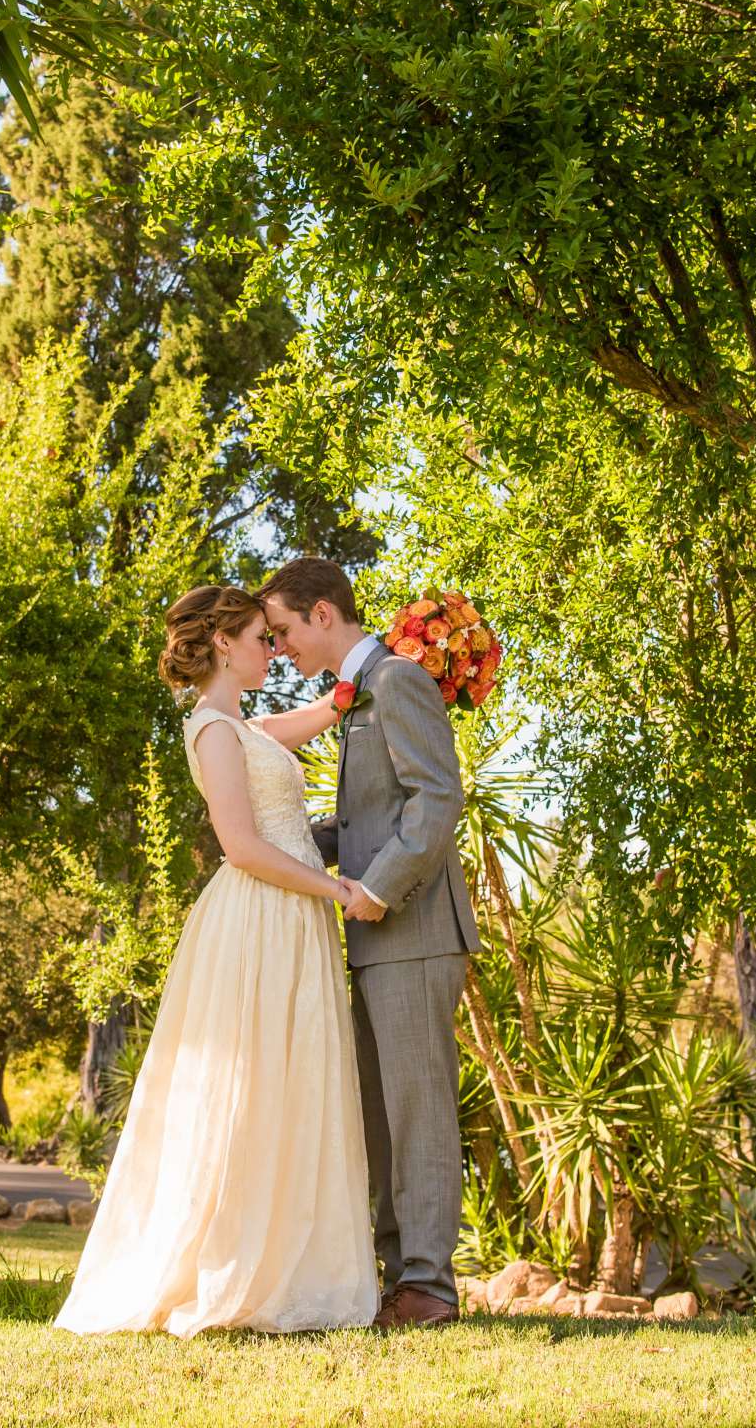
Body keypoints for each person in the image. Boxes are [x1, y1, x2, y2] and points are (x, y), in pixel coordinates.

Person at [53, 585, 381, 1336]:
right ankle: (231, 1266)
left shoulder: (249, 726)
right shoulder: (211, 730)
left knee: (290, 1086)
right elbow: (242, 846)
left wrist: (403, 653)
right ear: (225, 645)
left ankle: (293, 1262)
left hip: (290, 916)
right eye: (264, 638)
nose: (274, 649)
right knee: (252, 1085)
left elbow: (330, 707)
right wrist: (334, 889)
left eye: (276, 636)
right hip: (260, 916)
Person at [262, 557, 480, 1331]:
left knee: (417, 1109)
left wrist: (380, 887)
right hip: (373, 937)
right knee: (383, 1112)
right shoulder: (362, 697)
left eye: (283, 630)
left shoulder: (396, 682)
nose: (279, 647)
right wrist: (284, 842)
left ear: (324, 616)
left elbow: (437, 796)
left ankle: (427, 1285)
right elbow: (365, 821)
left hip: (414, 929)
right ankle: (400, 1279)